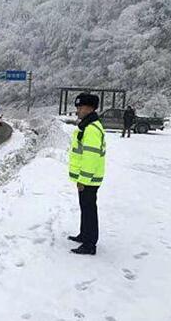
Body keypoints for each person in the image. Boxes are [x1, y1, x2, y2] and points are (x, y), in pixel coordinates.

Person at [68, 93, 106, 255]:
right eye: (77, 107)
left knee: (89, 209)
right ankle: (84, 234)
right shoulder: (87, 126)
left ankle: (90, 244)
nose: (78, 110)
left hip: (88, 179)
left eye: (80, 107)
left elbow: (90, 157)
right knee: (85, 207)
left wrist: (83, 180)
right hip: (86, 178)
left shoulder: (91, 129)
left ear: (90, 108)